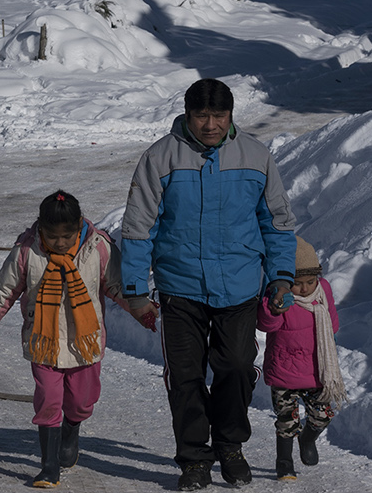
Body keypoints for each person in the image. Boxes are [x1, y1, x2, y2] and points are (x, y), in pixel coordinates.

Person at [121, 78, 299, 490]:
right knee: (184, 375)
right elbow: (137, 227)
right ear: (187, 114)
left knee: (236, 366)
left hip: (238, 286)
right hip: (180, 286)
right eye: (201, 116)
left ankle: (230, 445)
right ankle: (194, 459)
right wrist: (134, 290)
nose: (210, 125)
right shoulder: (160, 158)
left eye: (219, 116)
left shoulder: (256, 156)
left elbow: (277, 225)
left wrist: (281, 276)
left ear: (231, 115)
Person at [0, 190, 154, 488]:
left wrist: (141, 310)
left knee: (82, 401)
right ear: (40, 228)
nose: (59, 242)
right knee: (48, 400)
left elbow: (117, 285)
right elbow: (5, 286)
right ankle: (48, 465)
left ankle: (72, 427)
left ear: (78, 228)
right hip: (43, 341)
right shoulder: (28, 251)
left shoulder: (97, 247)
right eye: (52, 236)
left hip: (85, 342)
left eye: (66, 236)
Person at [257, 236, 344, 481]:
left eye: (310, 281)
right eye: (297, 283)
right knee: (286, 422)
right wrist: (272, 308)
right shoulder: (278, 296)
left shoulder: (323, 290)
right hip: (284, 372)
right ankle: (284, 463)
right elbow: (265, 325)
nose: (304, 289)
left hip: (316, 371)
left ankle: (307, 439)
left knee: (323, 413)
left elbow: (332, 323)